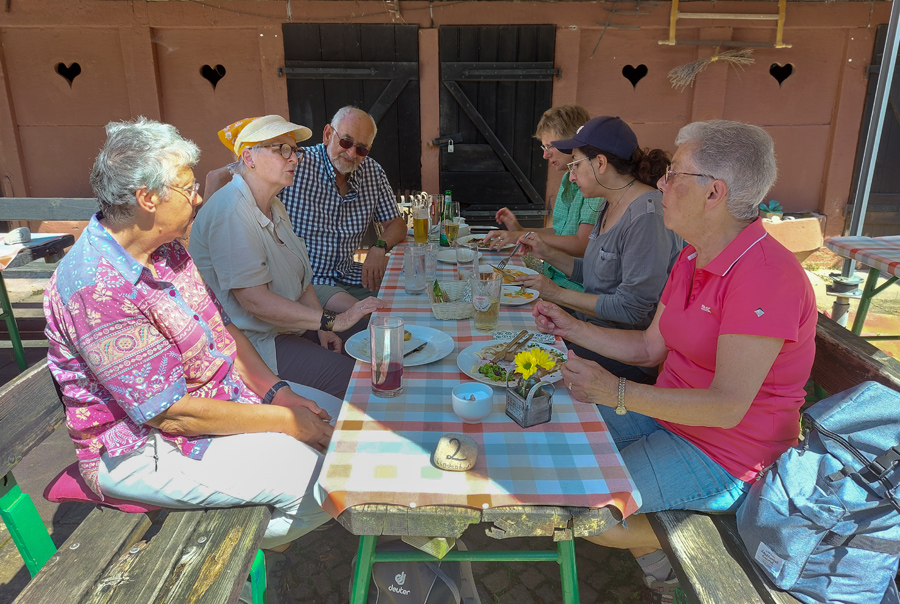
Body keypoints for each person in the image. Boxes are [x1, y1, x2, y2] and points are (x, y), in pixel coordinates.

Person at [531, 120, 817, 603]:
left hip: (729, 452)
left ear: (714, 193)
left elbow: (727, 407)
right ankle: (660, 558)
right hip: (667, 417)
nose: (660, 182)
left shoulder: (766, 276)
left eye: (674, 173)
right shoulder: (694, 255)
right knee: (557, 430)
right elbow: (648, 348)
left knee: (585, 506)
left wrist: (616, 392)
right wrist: (569, 326)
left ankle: (703, 539)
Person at [44, 117, 337, 556]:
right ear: (147, 198)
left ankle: (248, 511)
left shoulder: (167, 250)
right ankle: (194, 558)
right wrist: (287, 422)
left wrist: (279, 393)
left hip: (215, 403)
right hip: (140, 446)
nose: (199, 197)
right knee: (324, 483)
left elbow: (225, 331)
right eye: (187, 187)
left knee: (342, 426)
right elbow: (171, 415)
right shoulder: (95, 285)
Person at [190, 115, 384, 399]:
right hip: (255, 342)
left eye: (295, 151)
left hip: (284, 326)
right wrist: (330, 321)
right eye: (281, 149)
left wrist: (321, 328)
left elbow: (300, 276)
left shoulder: (274, 204)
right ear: (249, 157)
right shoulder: (231, 210)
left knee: (380, 339)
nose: (293, 159)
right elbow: (255, 302)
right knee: (359, 383)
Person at [517, 116, 682, 383]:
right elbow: (595, 272)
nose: (571, 177)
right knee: (515, 345)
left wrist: (556, 292)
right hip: (592, 333)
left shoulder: (647, 215)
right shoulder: (611, 203)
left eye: (576, 165)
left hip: (624, 357)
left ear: (601, 163)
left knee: (527, 372)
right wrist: (546, 253)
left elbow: (632, 309)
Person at [279, 106, 407, 311]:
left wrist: (379, 247)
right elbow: (241, 176)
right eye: (346, 142)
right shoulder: (297, 163)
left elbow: (397, 224)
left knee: (408, 292)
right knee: (370, 314)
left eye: (361, 149)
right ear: (328, 134)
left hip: (348, 274)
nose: (351, 153)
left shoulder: (372, 172)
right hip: (307, 281)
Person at [483, 104, 601, 292]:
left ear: (571, 142)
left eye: (549, 147)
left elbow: (582, 244)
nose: (545, 155)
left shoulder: (594, 184)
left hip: (574, 287)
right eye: (543, 147)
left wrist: (519, 236)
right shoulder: (567, 179)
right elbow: (559, 233)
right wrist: (521, 231)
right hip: (552, 276)